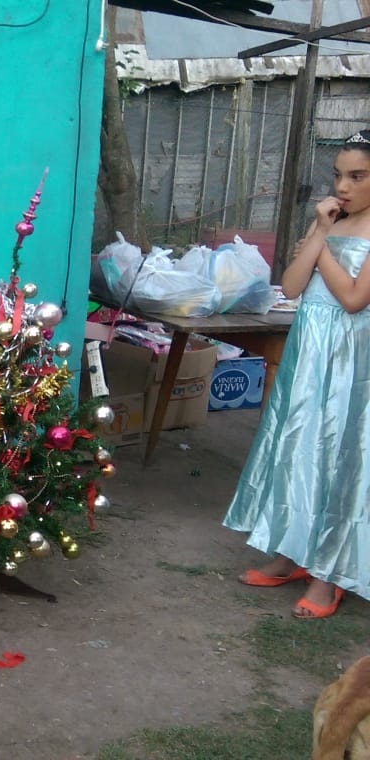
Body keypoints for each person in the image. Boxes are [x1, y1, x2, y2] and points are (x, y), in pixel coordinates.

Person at [224, 129, 370, 619]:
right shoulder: (332, 222)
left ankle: (330, 574)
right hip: (309, 352)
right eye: (338, 175)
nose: (343, 186)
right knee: (298, 447)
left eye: (358, 176)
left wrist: (323, 238)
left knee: (340, 456)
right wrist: (322, 232)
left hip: (352, 360)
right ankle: (291, 551)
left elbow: (353, 299)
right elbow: (289, 284)